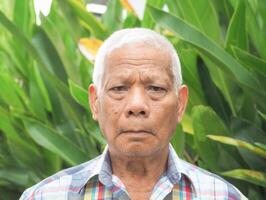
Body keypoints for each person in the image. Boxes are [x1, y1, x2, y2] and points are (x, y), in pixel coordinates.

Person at [20, 28, 247, 200]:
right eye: (118, 89)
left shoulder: (222, 196)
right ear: (95, 102)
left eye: (155, 89)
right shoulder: (46, 196)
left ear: (180, 103)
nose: (137, 105)